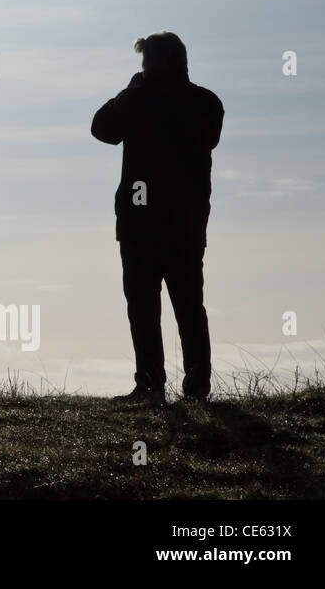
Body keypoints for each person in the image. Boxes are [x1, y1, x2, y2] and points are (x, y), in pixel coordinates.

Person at [91, 32, 223, 404]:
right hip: (184, 223)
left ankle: (151, 385)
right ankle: (194, 387)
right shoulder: (206, 102)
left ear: (152, 64)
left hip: (142, 225)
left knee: (144, 306)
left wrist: (132, 90)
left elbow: (102, 128)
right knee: (188, 306)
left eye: (145, 63)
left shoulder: (139, 100)